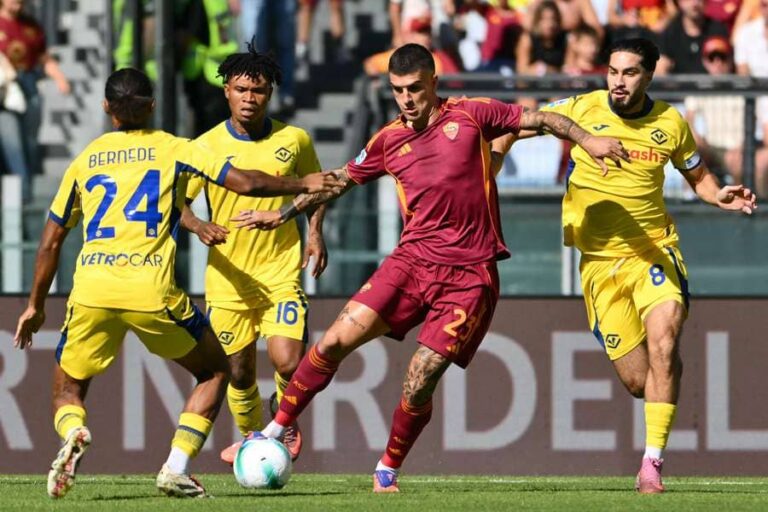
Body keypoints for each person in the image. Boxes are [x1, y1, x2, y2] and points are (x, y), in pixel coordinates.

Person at [233, 42, 630, 492]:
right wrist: (284, 215)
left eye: (415, 89)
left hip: (470, 276)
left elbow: (540, 119)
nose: (406, 99)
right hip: (411, 264)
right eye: (398, 90)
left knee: (419, 377)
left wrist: (589, 140)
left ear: (433, 83)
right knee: (334, 340)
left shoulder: (471, 114)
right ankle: (274, 430)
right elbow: (338, 181)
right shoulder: (387, 140)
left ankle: (387, 467)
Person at [12, 68, 341, 500]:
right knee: (215, 369)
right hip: (150, 289)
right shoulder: (178, 149)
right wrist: (304, 182)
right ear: (152, 105)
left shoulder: (85, 159)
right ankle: (175, 467)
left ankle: (74, 432)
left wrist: (35, 305)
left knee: (67, 388)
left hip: (91, 287)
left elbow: (50, 242)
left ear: (106, 109)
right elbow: (245, 181)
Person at [536, 38, 756, 493]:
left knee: (664, 337)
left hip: (654, 250)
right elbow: (523, 123)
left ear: (649, 75)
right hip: (599, 265)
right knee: (641, 380)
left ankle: (651, 465)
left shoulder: (670, 123)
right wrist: (493, 158)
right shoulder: (582, 107)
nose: (618, 81)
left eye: (629, 72)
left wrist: (719, 193)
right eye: (613, 71)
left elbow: (697, 175)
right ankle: (665, 371)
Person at [181, 46, 326, 463]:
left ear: (271, 93)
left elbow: (317, 187)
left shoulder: (294, 140)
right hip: (227, 280)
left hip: (280, 273)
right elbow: (179, 204)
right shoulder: (205, 147)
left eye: (258, 90)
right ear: (226, 90)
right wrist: (198, 225)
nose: (249, 98)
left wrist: (315, 233)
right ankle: (253, 439)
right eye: (241, 89)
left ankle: (284, 420)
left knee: (287, 361)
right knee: (239, 373)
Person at [0, 0, 70, 199]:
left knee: (30, 142)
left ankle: (26, 194)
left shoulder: (30, 26)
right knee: (12, 143)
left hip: (29, 84)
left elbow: (43, 57)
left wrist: (60, 79)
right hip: (6, 91)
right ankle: (21, 192)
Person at [656, 0, 729, 74]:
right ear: (679, 2)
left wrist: (719, 70)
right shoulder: (669, 33)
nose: (695, 3)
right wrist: (662, 70)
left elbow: (725, 70)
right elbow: (660, 73)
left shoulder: (718, 31)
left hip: (709, 84)